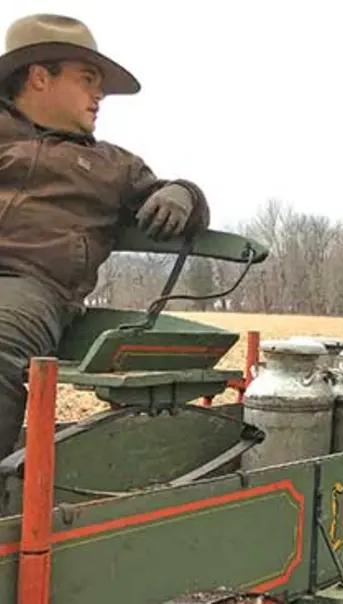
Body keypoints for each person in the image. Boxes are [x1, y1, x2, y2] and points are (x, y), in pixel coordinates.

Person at [0, 14, 210, 459]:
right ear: (39, 77)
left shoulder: (113, 166)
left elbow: (175, 198)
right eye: (88, 79)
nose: (99, 95)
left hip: (26, 287)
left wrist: (183, 193)